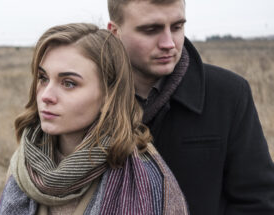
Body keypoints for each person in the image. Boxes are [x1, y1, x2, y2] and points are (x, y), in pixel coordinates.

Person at [0, 23, 189, 215]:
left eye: (69, 83)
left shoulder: (148, 181)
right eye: (43, 78)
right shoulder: (24, 165)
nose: (46, 95)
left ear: (108, 95)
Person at [107, 0, 274, 214]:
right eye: (151, 30)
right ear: (115, 32)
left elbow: (257, 201)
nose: (169, 43)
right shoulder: (86, 98)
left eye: (177, 27)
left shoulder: (228, 94)